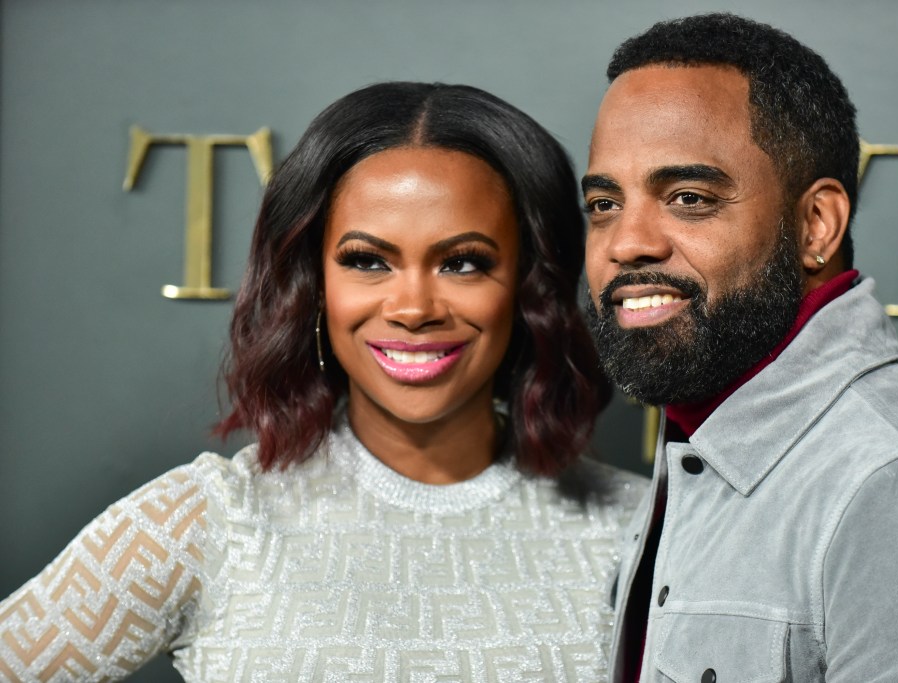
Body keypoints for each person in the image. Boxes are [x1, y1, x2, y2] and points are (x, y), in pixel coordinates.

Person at [0, 82, 646, 681]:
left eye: (463, 262)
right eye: (367, 260)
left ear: (531, 287)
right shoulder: (211, 518)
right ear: (313, 286)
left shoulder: (642, 530)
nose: (413, 307)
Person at [581, 13, 898, 682]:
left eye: (689, 197)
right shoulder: (699, 426)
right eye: (604, 204)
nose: (625, 242)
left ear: (816, 224)